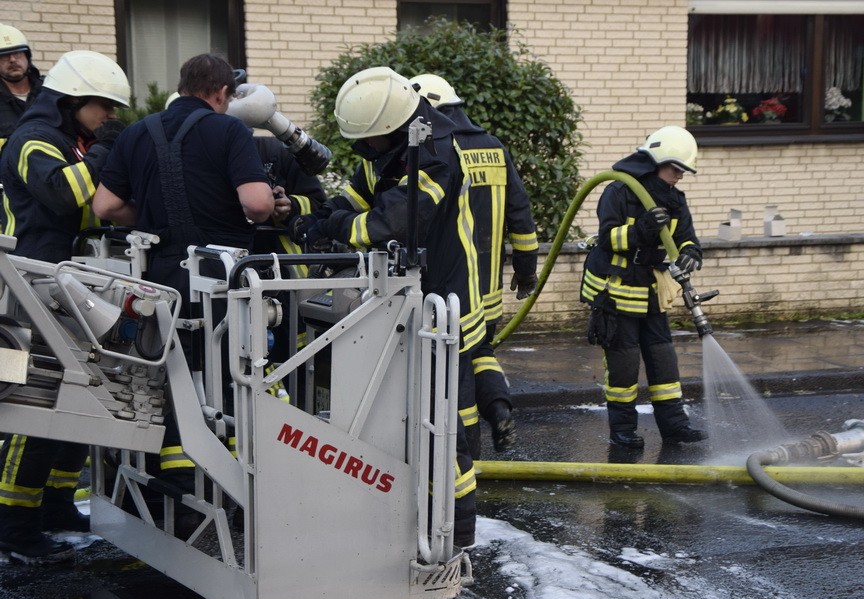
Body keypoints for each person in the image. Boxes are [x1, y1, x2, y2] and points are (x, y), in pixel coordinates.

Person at [294, 66, 481, 548]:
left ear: (392, 129)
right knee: (402, 413)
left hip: (444, 303)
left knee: (442, 421)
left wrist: (331, 228)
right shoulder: (392, 148)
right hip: (408, 303)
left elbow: (391, 223)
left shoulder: (435, 155)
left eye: (370, 143)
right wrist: (307, 215)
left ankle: (456, 531)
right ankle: (405, 514)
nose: (366, 152)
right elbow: (356, 199)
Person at [93, 54, 273, 523]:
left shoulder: (137, 132)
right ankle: (235, 489)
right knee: (232, 377)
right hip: (224, 280)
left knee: (174, 376)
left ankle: (178, 488)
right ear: (221, 93)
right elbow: (256, 204)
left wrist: (151, 219)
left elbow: (105, 205)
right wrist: (272, 206)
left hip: (160, 280)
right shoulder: (229, 131)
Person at [0, 50, 131, 563]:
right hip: (21, 295)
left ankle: (53, 505)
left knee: (69, 402)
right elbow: (61, 195)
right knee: (30, 409)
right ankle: (12, 528)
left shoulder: (65, 139)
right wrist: (101, 156)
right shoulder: (36, 138)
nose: (110, 117)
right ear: (75, 100)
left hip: (50, 287)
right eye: (105, 107)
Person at [409, 73, 539, 454]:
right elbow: (520, 213)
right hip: (490, 290)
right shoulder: (493, 147)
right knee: (481, 352)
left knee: (454, 369)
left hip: (447, 288)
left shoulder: (437, 148)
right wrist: (527, 271)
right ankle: (499, 408)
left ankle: (465, 453)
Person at [580, 125, 708, 449]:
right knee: (623, 367)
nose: (679, 176)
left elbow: (686, 237)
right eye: (675, 169)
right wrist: (643, 228)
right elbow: (609, 238)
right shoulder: (619, 191)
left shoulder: (675, 200)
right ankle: (622, 432)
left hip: (650, 293)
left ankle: (675, 427)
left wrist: (692, 252)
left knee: (664, 361)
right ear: (655, 162)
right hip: (616, 293)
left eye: (683, 171)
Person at [0, 23, 43, 152]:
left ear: (27, 57)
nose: (12, 60)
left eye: (18, 53)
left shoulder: (49, 92)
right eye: (4, 56)